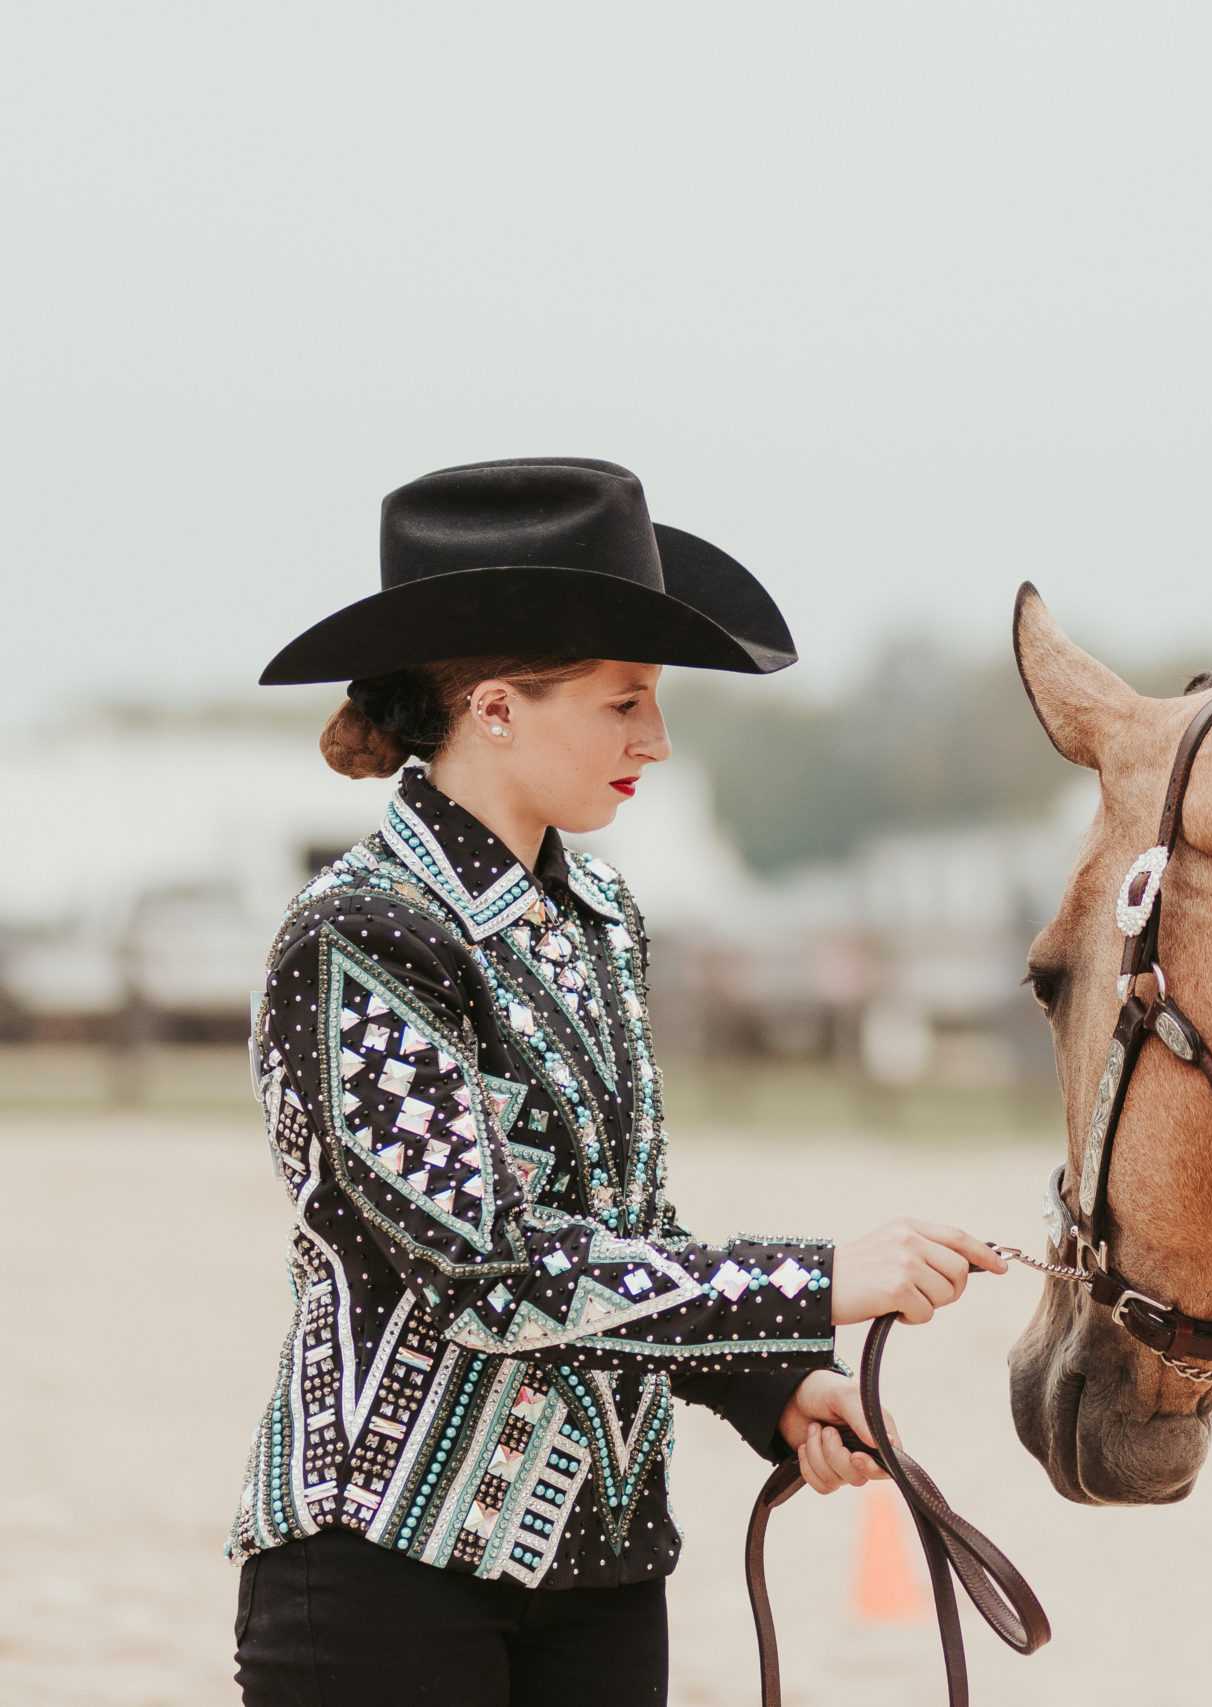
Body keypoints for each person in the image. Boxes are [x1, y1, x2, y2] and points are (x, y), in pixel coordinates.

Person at [225, 457, 1007, 1705]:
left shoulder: (597, 917)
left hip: (601, 1559)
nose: (655, 737)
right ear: (493, 709)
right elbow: (484, 1276)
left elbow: (618, 1237)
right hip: (386, 1566)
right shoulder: (361, 935)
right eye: (623, 701)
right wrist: (813, 1281)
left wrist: (771, 1382)